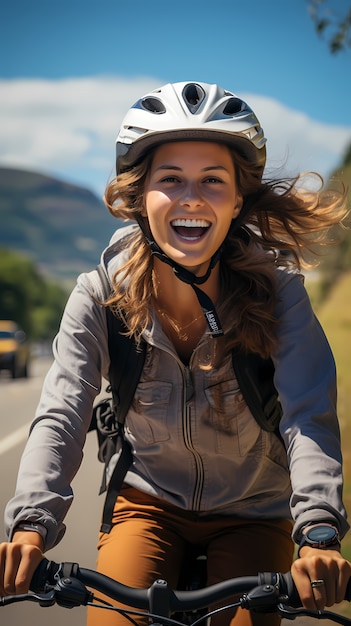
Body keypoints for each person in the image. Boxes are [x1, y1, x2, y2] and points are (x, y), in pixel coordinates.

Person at [0, 81, 350, 626]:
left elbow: (309, 416)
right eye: (171, 179)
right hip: (148, 503)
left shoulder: (281, 295)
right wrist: (31, 521)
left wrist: (319, 531)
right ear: (140, 198)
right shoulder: (99, 295)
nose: (191, 196)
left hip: (253, 510)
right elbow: (63, 412)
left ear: (238, 201)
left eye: (213, 180)